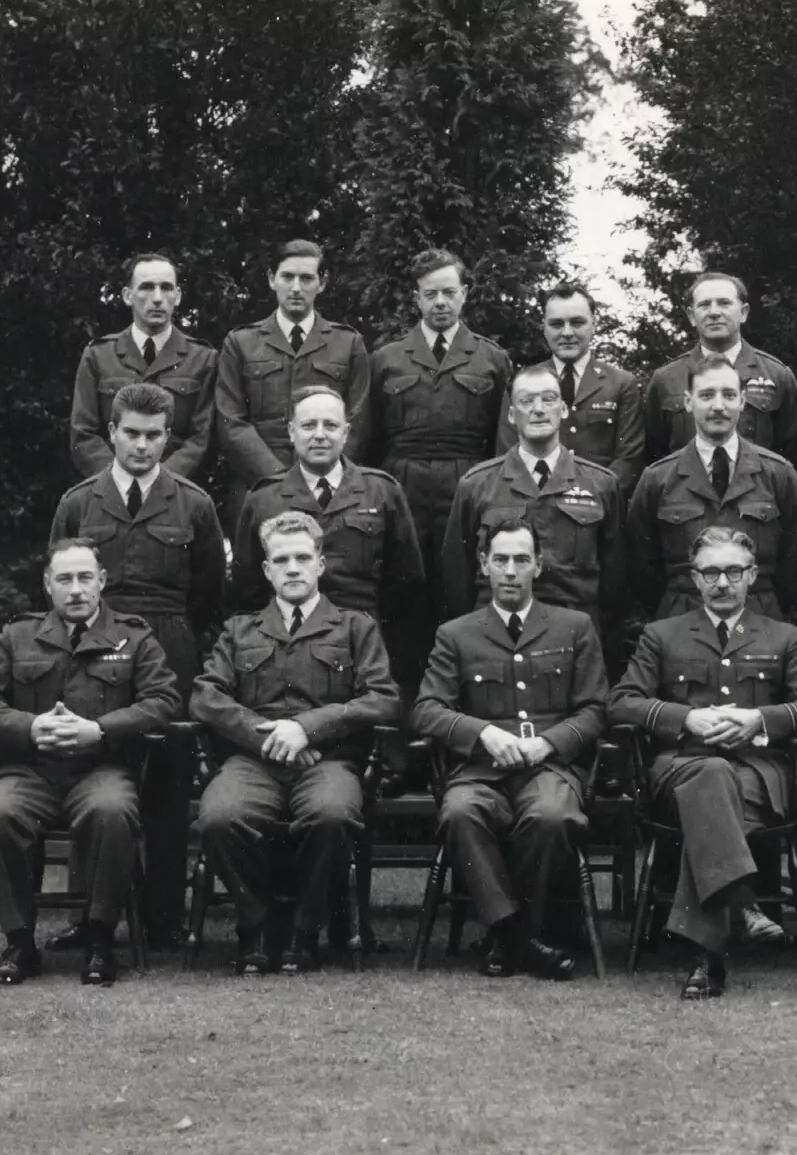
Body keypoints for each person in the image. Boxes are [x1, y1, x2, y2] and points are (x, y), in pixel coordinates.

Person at [609, 527, 797, 999]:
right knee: (711, 775)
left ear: (752, 575)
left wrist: (759, 718)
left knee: (715, 790)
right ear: (694, 579)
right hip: (680, 770)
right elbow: (622, 703)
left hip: (758, 775)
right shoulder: (662, 635)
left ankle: (708, 956)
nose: (722, 582)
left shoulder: (783, 636)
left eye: (733, 571)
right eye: (710, 572)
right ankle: (742, 904)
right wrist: (686, 718)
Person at [50, 381, 226, 948]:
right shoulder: (79, 501)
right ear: (112, 433)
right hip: (94, 648)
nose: (142, 446)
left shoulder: (193, 502)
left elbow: (208, 589)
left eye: (153, 436)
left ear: (167, 438)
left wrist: (173, 636)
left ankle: (164, 921)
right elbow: (63, 575)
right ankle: (90, 916)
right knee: (92, 772)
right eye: (132, 434)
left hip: (169, 647)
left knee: (170, 786)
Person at [0, 539, 180, 985]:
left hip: (100, 769)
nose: (76, 589)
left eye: (85, 578)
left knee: (112, 811)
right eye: (65, 579)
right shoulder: (16, 637)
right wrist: (30, 726)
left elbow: (163, 702)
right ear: (48, 585)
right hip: (30, 771)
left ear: (102, 582)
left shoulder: (134, 638)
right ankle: (19, 943)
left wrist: (100, 729)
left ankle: (100, 940)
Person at [191, 512, 401, 974]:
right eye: (280, 559)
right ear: (266, 570)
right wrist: (266, 736)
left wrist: (308, 728)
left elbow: (384, 699)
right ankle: (257, 927)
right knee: (219, 816)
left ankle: (306, 930)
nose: (292, 568)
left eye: (302, 558)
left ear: (320, 564)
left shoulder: (354, 627)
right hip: (254, 762)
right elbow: (206, 697)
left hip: (327, 762)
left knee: (332, 814)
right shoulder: (240, 630)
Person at [410, 521, 608, 980]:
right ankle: (519, 938)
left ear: (539, 565)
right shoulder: (456, 634)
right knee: (460, 812)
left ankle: (507, 939)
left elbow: (596, 709)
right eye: (500, 560)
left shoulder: (574, 627)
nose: (511, 571)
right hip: (480, 770)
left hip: (551, 769)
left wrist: (548, 743)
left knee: (552, 817)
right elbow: (426, 709)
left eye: (522, 560)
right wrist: (482, 734)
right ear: (483, 566)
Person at [439, 363, 623, 633]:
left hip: (574, 636)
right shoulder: (476, 484)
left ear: (563, 409)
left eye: (548, 399)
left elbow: (615, 580)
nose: (538, 409)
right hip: (495, 635)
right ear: (512, 415)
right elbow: (456, 577)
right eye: (527, 401)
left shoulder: (601, 484)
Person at [367, 248, 512, 585]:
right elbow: (368, 436)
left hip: (469, 483)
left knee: (462, 578)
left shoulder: (491, 358)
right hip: (402, 484)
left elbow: (502, 439)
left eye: (449, 292)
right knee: (403, 580)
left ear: (464, 294)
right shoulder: (386, 359)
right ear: (417, 298)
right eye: (430, 294)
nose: (441, 302)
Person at [627, 353, 797, 623]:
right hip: (682, 620)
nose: (718, 406)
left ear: (743, 401)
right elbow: (641, 565)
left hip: (761, 620)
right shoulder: (658, 479)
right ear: (688, 402)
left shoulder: (778, 474)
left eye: (729, 395)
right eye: (707, 395)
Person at [232, 387, 423, 624]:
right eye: (309, 425)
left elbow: (406, 582)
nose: (320, 435)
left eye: (330, 426)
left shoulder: (382, 491)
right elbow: (247, 588)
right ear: (292, 432)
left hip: (362, 636)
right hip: (288, 635)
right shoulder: (263, 498)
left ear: (345, 433)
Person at [215, 239, 371, 525]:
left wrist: (324, 478)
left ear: (322, 283)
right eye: (287, 277)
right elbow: (231, 421)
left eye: (306, 278)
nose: (296, 287)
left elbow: (358, 421)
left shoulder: (348, 344)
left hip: (329, 491)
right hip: (258, 486)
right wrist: (277, 479)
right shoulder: (241, 343)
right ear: (272, 279)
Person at [70, 253, 217, 480]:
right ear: (128, 296)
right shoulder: (99, 355)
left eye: (166, 288)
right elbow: (83, 434)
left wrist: (159, 484)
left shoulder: (202, 359)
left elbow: (201, 439)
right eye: (146, 287)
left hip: (177, 494)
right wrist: (118, 481)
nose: (157, 298)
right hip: (110, 493)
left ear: (177, 296)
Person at [643, 273, 797, 469]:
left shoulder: (777, 375)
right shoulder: (665, 380)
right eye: (704, 305)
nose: (714, 312)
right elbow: (654, 456)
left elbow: (793, 453)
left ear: (744, 312)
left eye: (724, 303)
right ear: (692, 316)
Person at [497, 281, 645, 496]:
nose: (567, 332)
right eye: (556, 324)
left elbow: (629, 459)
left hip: (598, 506)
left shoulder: (621, 384)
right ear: (544, 327)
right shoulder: (521, 383)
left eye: (577, 322)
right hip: (532, 504)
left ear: (593, 324)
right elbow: (506, 451)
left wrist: (591, 500)